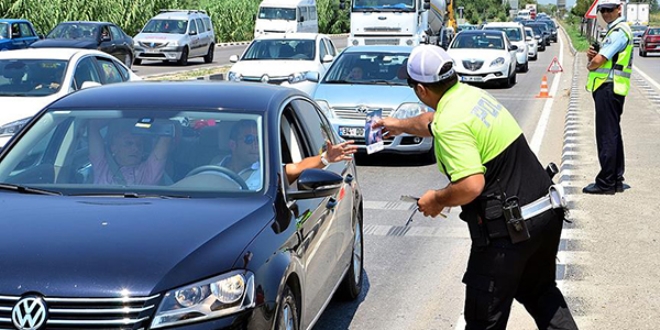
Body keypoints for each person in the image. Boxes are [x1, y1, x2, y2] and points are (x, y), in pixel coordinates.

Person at [374, 45, 578, 329]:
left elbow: (471, 185)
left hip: (509, 233)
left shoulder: (450, 122)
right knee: (541, 294)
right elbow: (430, 121)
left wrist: (436, 199)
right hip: (544, 214)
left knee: (484, 320)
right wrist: (398, 125)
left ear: (420, 90)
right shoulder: (470, 96)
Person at [216, 120, 356, 190]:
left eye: (259, 140)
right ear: (232, 145)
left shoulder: (268, 172)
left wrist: (326, 158)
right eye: (249, 139)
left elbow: (299, 167)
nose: (255, 145)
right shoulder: (212, 168)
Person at [584, 0, 631, 195]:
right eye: (602, 10)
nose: (605, 13)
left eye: (609, 10)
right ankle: (616, 179)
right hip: (611, 88)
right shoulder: (614, 31)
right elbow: (601, 57)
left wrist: (591, 63)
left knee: (606, 136)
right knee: (613, 134)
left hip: (608, 88)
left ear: (619, 9)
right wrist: (592, 56)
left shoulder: (619, 32)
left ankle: (605, 182)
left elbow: (599, 61)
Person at [88, 119, 172, 185]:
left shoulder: (147, 172)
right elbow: (92, 126)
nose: (135, 149)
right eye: (128, 143)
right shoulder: (102, 165)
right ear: (114, 148)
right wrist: (120, 116)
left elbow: (167, 132)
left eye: (139, 145)